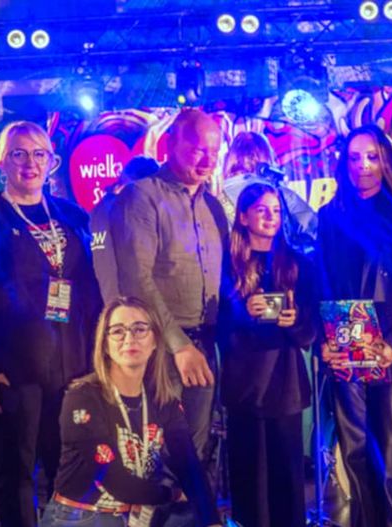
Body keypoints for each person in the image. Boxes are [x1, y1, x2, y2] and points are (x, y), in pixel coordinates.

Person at [0, 121, 103, 527]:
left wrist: (97, 362)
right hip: (12, 370)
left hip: (73, 367)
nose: (30, 163)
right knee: (16, 473)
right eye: (19, 153)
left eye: (40, 154)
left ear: (52, 161)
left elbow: (91, 292)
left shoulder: (73, 216)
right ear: (1, 161)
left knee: (70, 469)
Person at [318, 124, 392, 527]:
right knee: (355, 457)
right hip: (346, 352)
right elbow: (323, 282)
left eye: (371, 156)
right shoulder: (330, 216)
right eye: (354, 158)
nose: (363, 165)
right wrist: (325, 341)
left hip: (391, 353)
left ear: (385, 160)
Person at [111, 109, 229, 470]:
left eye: (214, 151)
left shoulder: (213, 205)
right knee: (159, 460)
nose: (207, 160)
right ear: (171, 144)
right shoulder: (142, 196)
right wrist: (179, 345)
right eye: (198, 150)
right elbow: (136, 281)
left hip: (205, 344)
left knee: (195, 457)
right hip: (161, 348)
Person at [42, 296, 221, 527]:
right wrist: (174, 494)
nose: (129, 339)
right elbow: (116, 482)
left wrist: (211, 520)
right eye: (118, 331)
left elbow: (188, 464)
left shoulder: (162, 399)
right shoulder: (82, 398)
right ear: (105, 345)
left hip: (135, 514)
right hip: (81, 516)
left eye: (140, 329)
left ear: (155, 340)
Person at [217, 183, 318, 527]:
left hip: (285, 383)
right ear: (243, 217)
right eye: (261, 210)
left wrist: (295, 320)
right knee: (248, 479)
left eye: (276, 210)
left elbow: (311, 330)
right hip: (244, 384)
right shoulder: (226, 264)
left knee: (287, 478)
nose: (270, 217)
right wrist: (243, 312)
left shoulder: (299, 264)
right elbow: (218, 326)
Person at [218, 131, 318, 253]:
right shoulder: (279, 193)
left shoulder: (217, 197)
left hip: (235, 262)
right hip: (278, 262)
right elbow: (314, 227)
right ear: (266, 157)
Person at [91, 156, 160, 303]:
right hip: (127, 305)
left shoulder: (152, 210)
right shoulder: (108, 209)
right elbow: (105, 264)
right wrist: (115, 306)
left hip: (152, 302)